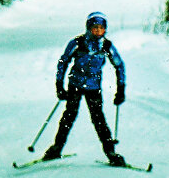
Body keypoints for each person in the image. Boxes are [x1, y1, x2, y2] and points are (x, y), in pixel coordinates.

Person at [42, 11, 126, 167]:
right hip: (75, 84)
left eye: (101, 28)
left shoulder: (106, 46)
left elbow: (119, 65)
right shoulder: (77, 42)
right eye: (95, 28)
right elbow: (63, 62)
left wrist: (121, 89)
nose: (98, 31)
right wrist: (59, 85)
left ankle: (111, 153)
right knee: (69, 116)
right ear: (88, 28)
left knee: (98, 119)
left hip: (94, 87)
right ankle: (56, 148)